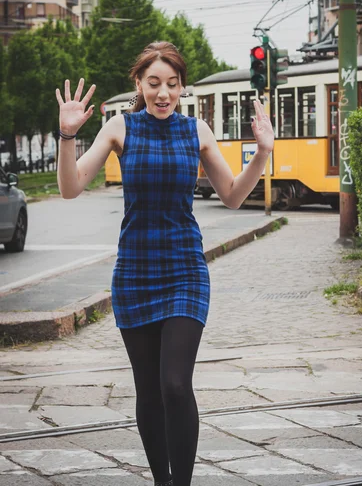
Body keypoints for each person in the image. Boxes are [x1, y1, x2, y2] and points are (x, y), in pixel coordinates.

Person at [56, 41, 274, 486]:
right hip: (134, 274)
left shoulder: (197, 132)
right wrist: (67, 136)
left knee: (175, 385)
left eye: (172, 85)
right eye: (154, 83)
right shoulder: (120, 127)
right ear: (139, 83)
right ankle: (162, 481)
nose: (163, 93)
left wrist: (263, 153)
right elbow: (70, 187)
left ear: (181, 88)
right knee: (149, 392)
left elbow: (232, 195)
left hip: (185, 272)